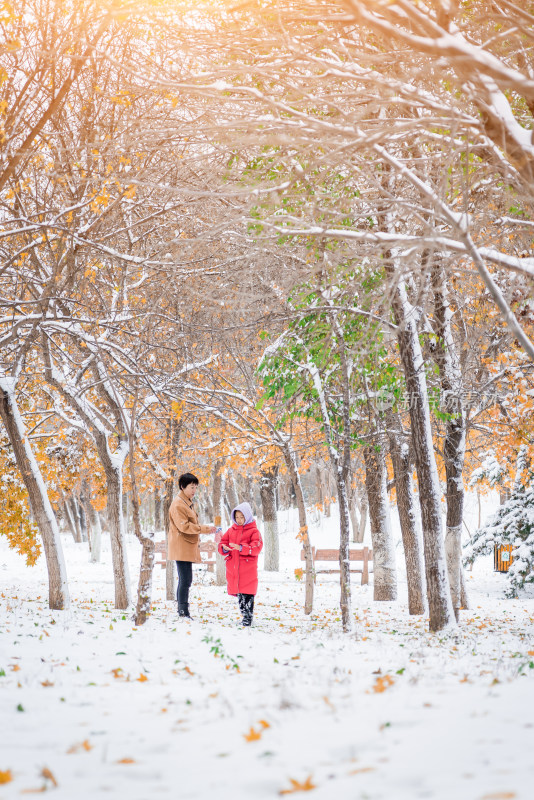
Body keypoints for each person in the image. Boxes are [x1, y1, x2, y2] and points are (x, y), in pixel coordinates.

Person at [168, 472, 216, 618]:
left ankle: (183, 610)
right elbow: (184, 526)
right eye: (191, 487)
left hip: (186, 546)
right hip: (181, 546)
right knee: (185, 579)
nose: (194, 491)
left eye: (195, 487)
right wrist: (205, 529)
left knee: (186, 579)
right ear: (182, 487)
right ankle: (183, 612)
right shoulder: (178, 504)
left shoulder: (186, 502)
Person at [218, 501, 263, 626]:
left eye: (241, 517)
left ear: (247, 516)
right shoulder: (231, 530)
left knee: (248, 593)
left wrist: (241, 548)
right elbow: (222, 543)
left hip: (247, 569)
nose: (239, 520)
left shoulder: (254, 531)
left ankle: (248, 617)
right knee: (240, 594)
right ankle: (244, 614)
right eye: (237, 517)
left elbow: (257, 547)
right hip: (234, 568)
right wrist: (225, 548)